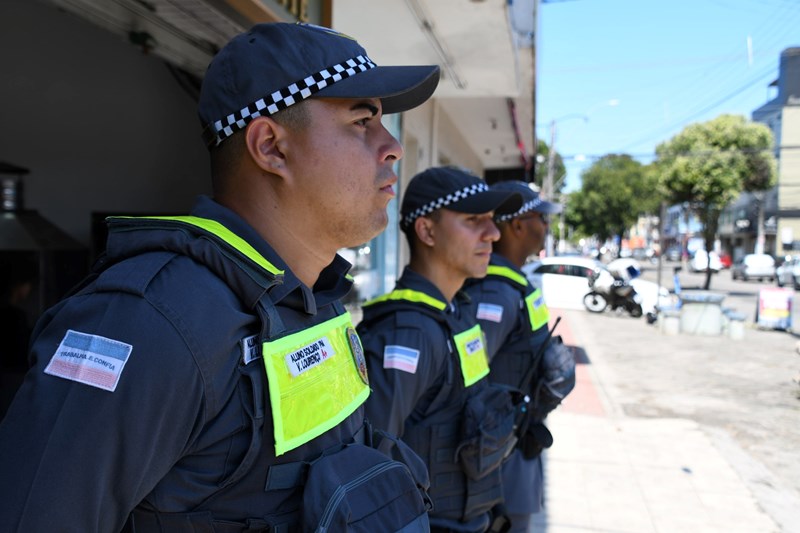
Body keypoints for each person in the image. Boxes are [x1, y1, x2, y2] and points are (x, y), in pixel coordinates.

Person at [0, 22, 440, 532]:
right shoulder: (149, 321)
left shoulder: (312, 302)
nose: (392, 147)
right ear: (271, 147)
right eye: (362, 122)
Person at [357, 166, 523, 533]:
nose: (493, 233)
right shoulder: (408, 332)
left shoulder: (456, 313)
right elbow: (370, 467)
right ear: (427, 231)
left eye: (493, 220)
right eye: (473, 220)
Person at [462, 181, 576, 532]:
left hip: (512, 439)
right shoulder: (495, 291)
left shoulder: (514, 286)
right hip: (495, 452)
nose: (547, 226)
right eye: (541, 217)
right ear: (516, 225)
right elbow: (470, 377)